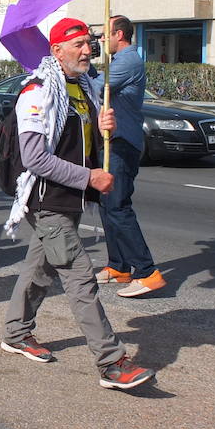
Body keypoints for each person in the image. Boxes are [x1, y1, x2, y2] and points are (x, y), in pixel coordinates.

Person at [0, 18, 154, 390]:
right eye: (79, 45)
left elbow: (80, 144)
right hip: (47, 201)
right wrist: (90, 178)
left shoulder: (82, 88)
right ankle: (112, 362)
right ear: (56, 51)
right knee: (80, 277)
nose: (88, 51)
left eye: (89, 43)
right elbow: (35, 158)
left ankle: (16, 333)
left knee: (40, 270)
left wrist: (106, 128)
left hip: (69, 200)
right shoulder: (38, 92)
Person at [95, 16, 166, 297]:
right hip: (113, 141)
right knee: (106, 204)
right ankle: (119, 266)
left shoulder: (127, 60)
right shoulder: (120, 59)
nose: (102, 39)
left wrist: (81, 67)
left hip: (122, 143)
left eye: (105, 34)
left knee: (118, 207)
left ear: (120, 34)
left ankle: (147, 272)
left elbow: (100, 86)